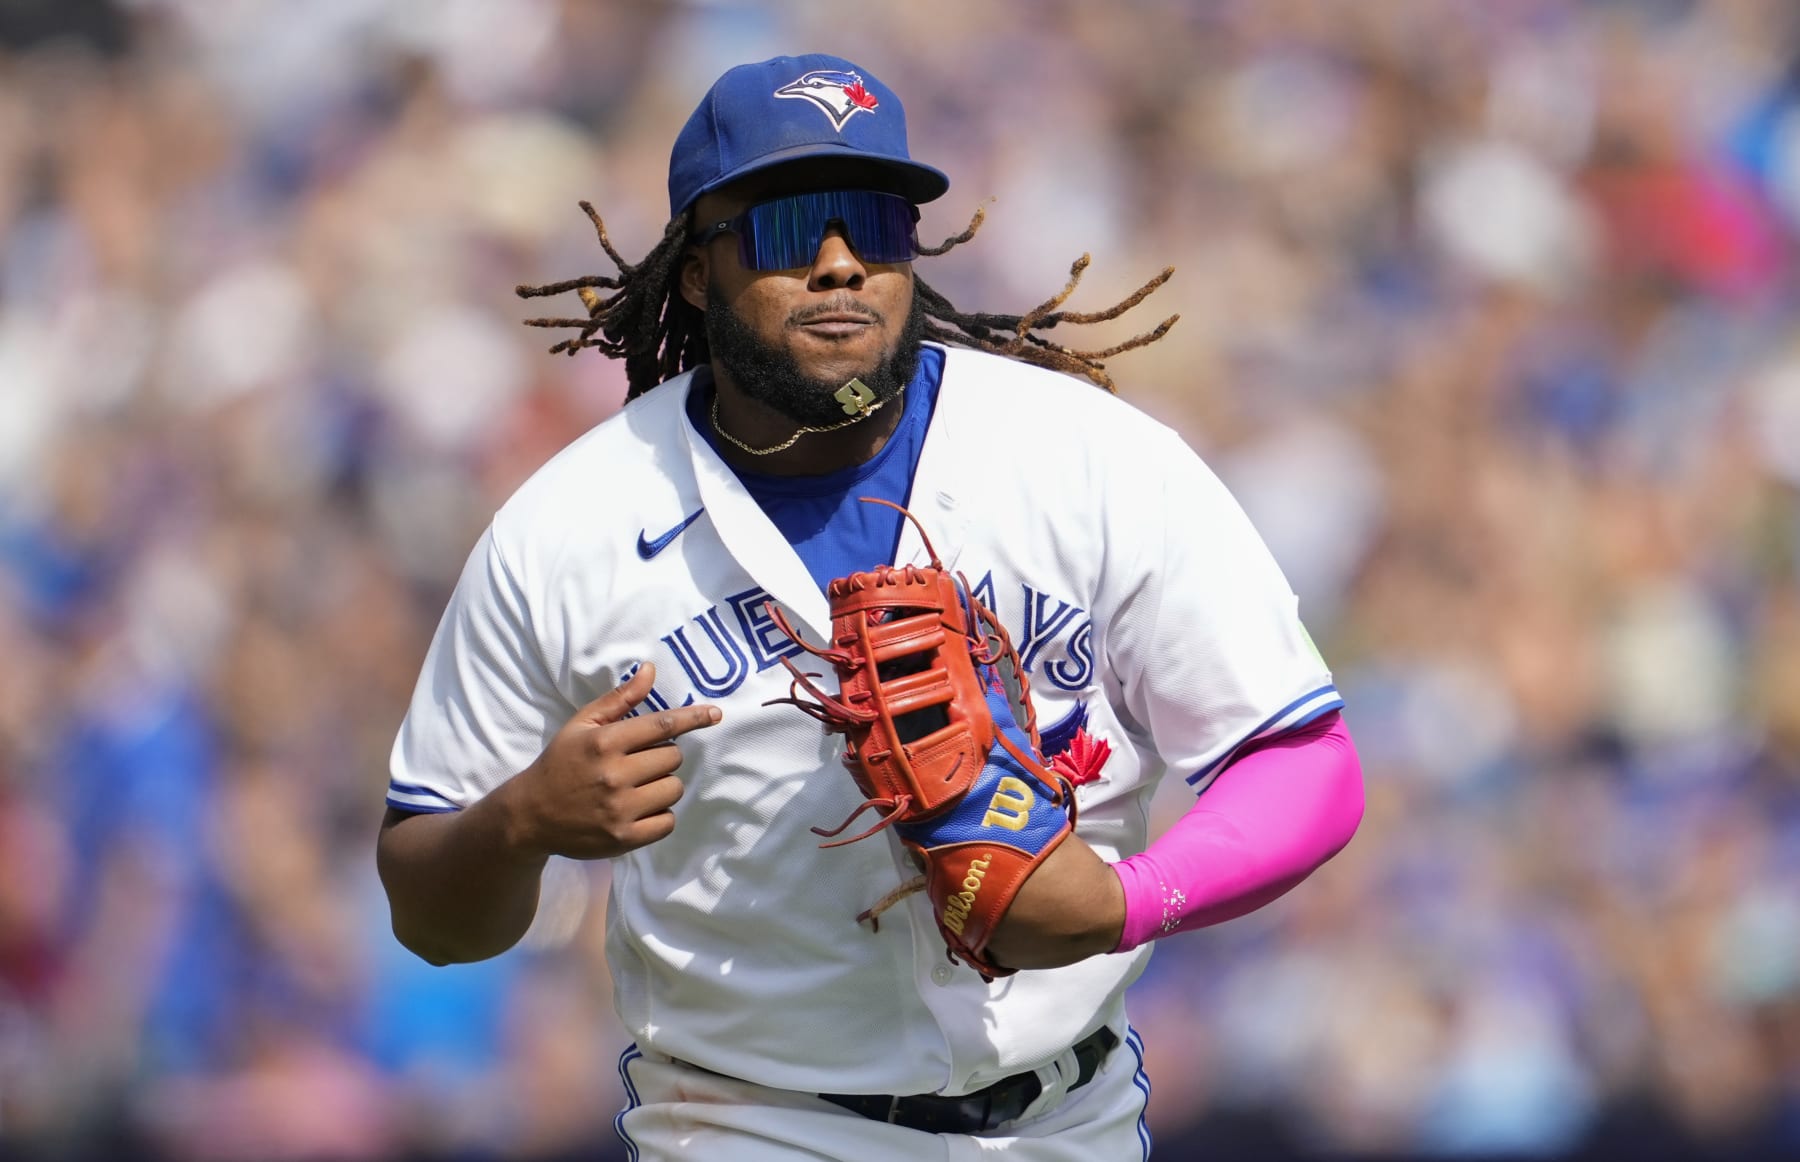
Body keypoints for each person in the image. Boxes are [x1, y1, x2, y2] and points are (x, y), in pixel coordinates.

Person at [376, 54, 1366, 1160]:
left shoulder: (1090, 460)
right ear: (698, 270)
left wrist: (1128, 900)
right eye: (794, 226)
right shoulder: (568, 528)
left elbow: (1307, 762)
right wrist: (521, 825)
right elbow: (428, 910)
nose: (841, 262)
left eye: (876, 223)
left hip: (1070, 1122)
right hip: (752, 1125)